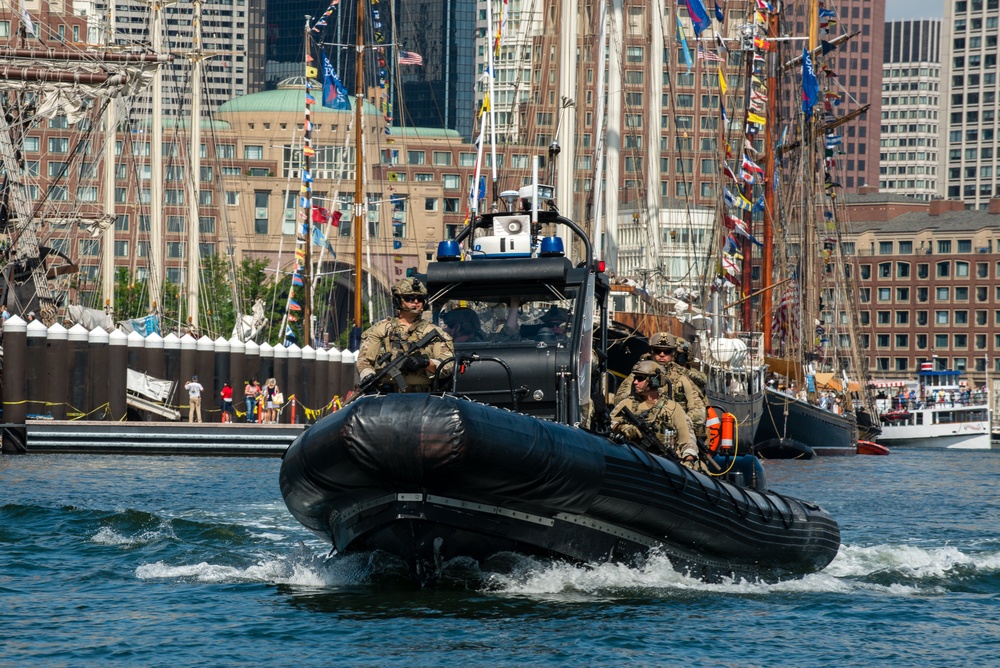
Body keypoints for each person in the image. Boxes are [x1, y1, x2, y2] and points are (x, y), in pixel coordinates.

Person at [357, 277, 454, 392]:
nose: (416, 302)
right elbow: (364, 361)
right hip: (386, 397)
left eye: (420, 298)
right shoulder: (381, 330)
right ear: (398, 300)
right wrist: (368, 376)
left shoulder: (434, 332)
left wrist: (425, 363)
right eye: (410, 298)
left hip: (423, 398)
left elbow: (448, 365)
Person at [613, 332, 708, 439]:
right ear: (651, 352)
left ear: (673, 354)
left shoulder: (681, 378)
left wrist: (677, 422)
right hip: (639, 430)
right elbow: (620, 401)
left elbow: (698, 412)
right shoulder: (638, 375)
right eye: (658, 351)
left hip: (672, 434)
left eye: (667, 352)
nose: (662, 354)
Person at [610, 360, 701, 470]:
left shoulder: (673, 408)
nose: (635, 382)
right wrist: (621, 428)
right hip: (630, 459)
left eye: (640, 378)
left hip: (663, 464)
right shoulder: (627, 404)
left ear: (653, 381)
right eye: (635, 378)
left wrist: (689, 459)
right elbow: (608, 423)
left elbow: (687, 439)